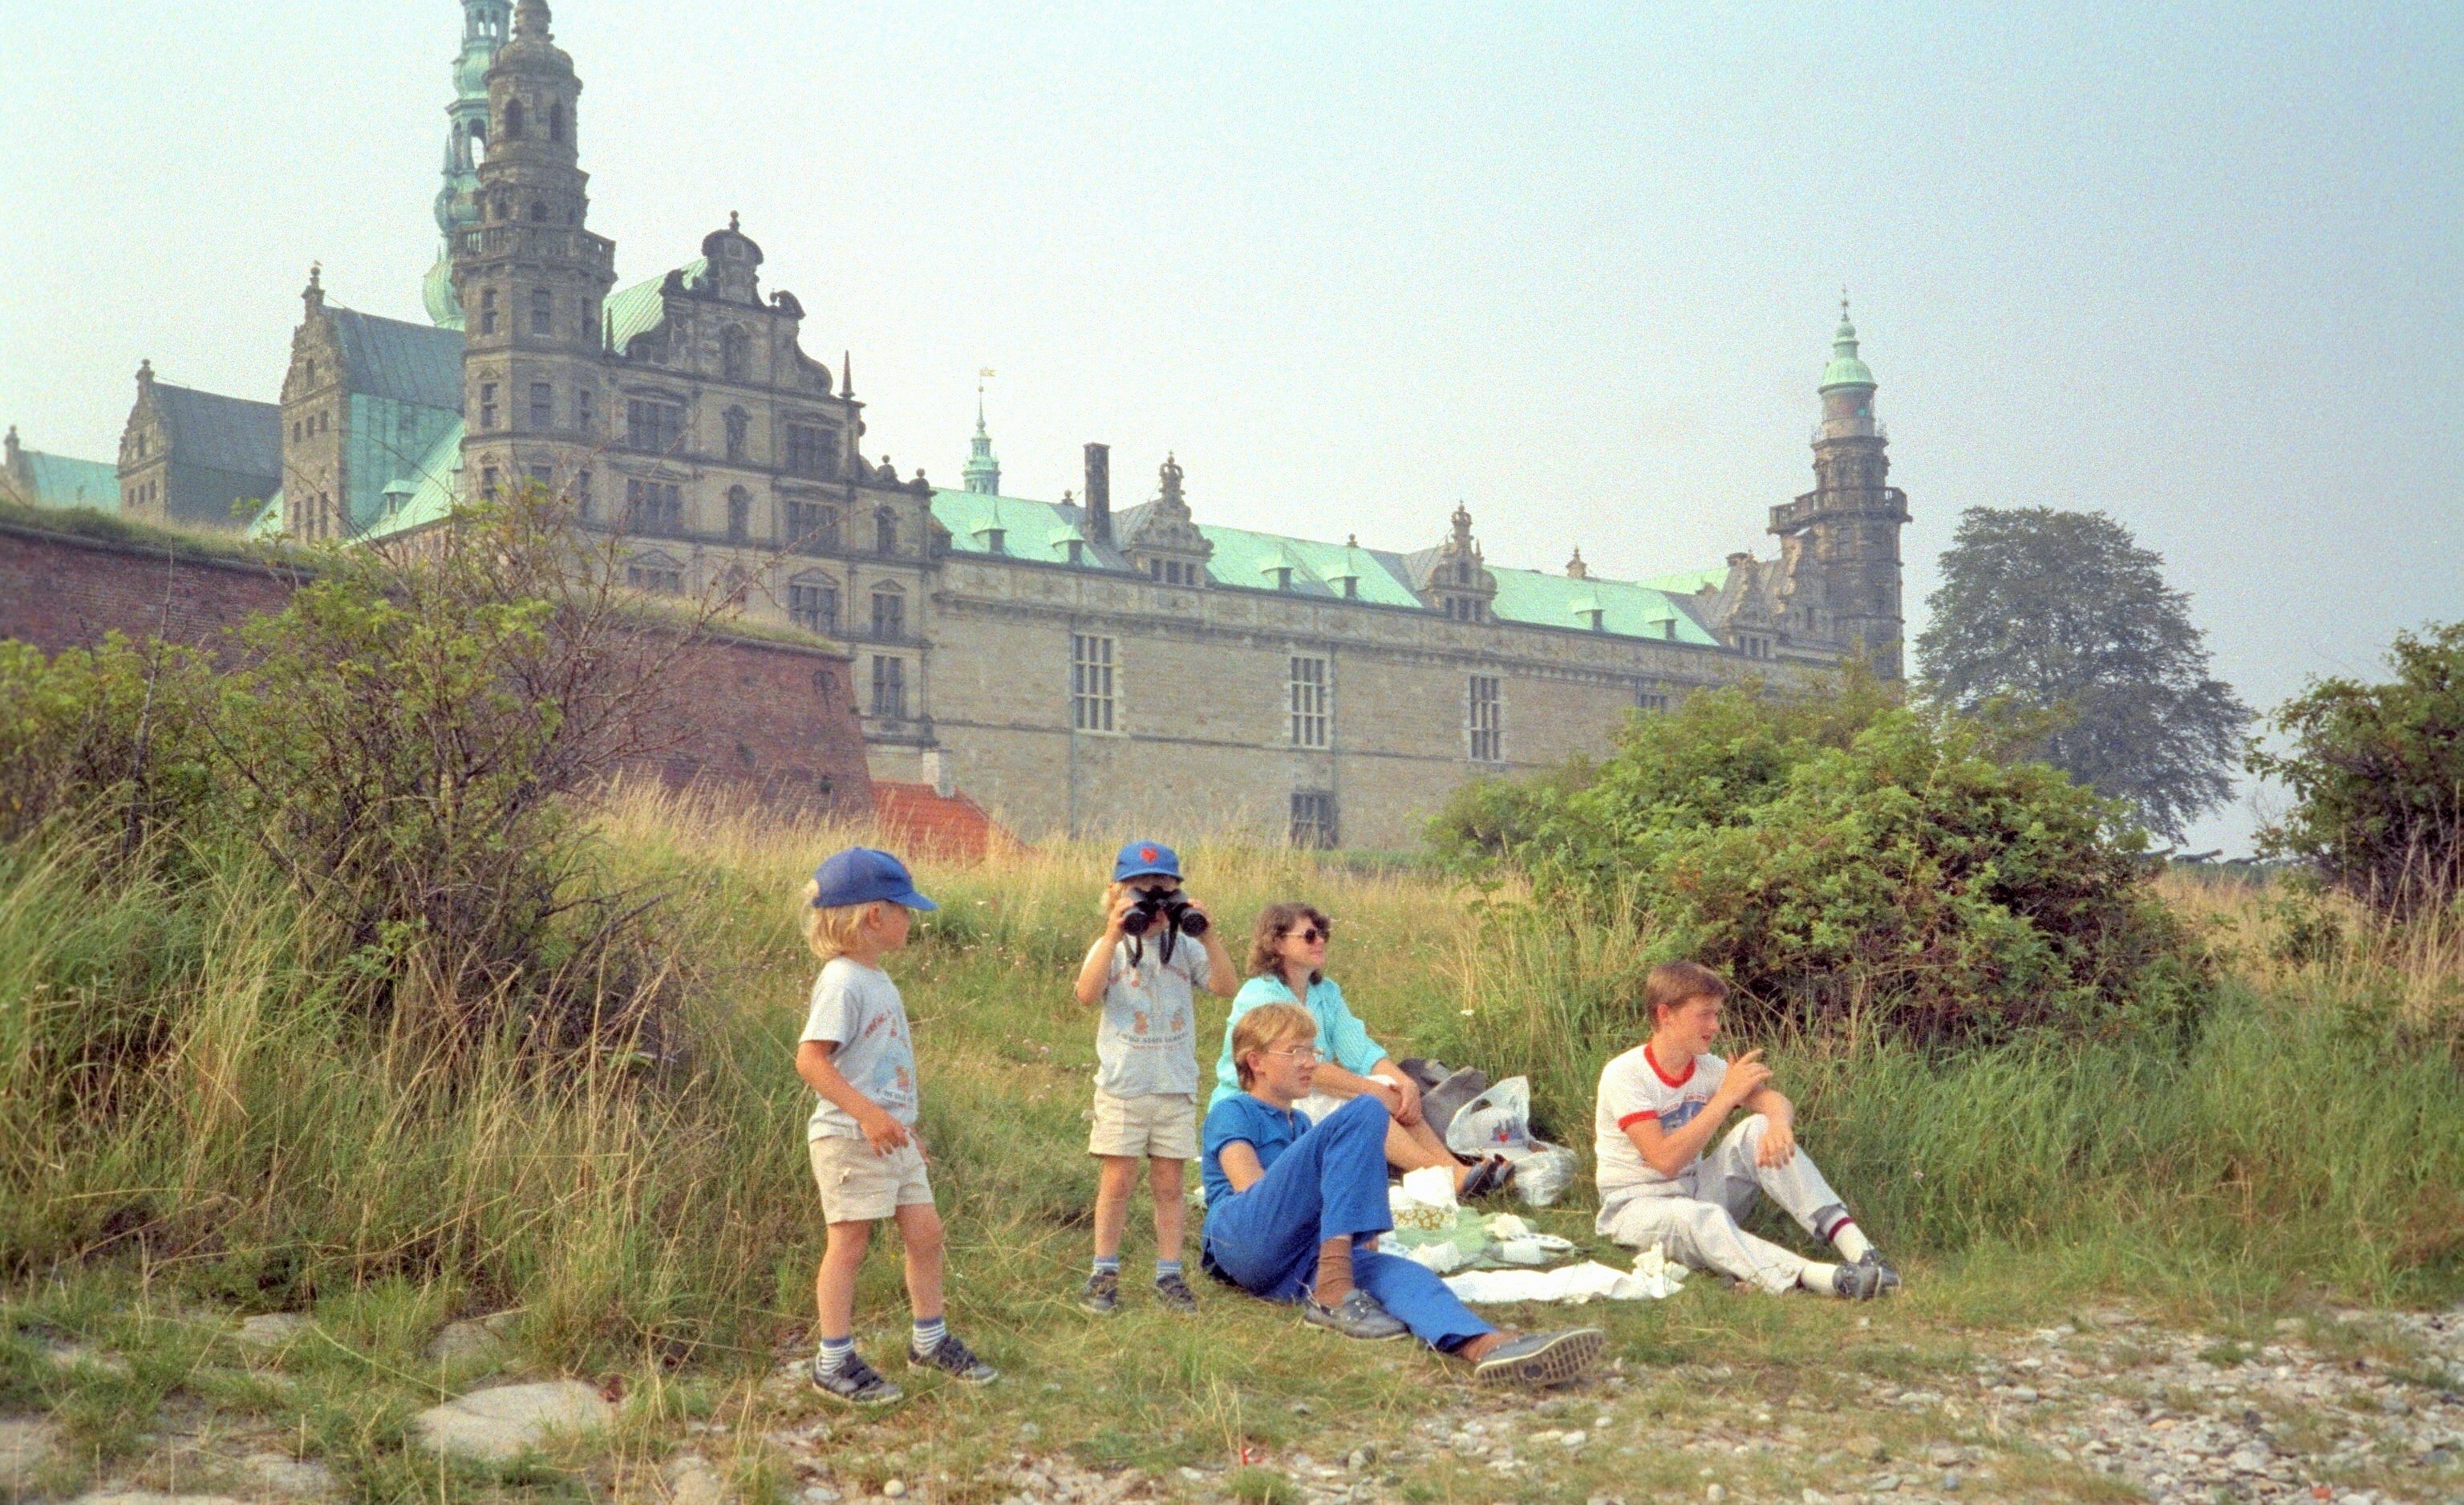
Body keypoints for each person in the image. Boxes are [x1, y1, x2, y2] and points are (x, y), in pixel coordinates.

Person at [1201, 1002, 1606, 1386]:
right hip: (1243, 1237)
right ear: (1255, 1061)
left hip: (1293, 1257)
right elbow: (1251, 1189)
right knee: (1366, 1110)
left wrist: (1356, 1229)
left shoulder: (1302, 1123)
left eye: (1313, 1050)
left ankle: (1487, 1346)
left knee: (1405, 1275)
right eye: (1295, 1052)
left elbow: (1327, 1193)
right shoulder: (1234, 1111)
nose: (1310, 1062)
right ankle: (1333, 1289)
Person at [795, 846, 1001, 1404]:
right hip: (849, 1136)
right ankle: (832, 1360)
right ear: (874, 917)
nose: (912, 919)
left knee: (926, 1233)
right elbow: (811, 1059)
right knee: (850, 1244)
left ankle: (928, 1341)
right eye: (904, 909)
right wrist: (869, 1115)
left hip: (892, 1137)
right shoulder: (842, 981)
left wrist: (902, 1126)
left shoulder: (875, 977)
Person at [1594, 960, 1899, 1300]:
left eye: (1717, 1015)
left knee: (1757, 1127)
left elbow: (1775, 1102)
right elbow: (1665, 1161)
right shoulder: (1625, 1074)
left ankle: (1863, 1253)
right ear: (1666, 1015)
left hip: (1695, 1189)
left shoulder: (1708, 1067)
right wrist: (1725, 1098)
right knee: (1697, 1217)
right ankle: (1826, 1278)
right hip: (1636, 1207)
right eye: (1704, 1015)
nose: (1716, 1026)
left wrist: (1779, 1125)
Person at [1213, 902, 1511, 1197]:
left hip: (1301, 1091)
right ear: (1276, 943)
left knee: (1387, 1087)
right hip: (1258, 1098)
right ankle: (1443, 1176)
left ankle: (1457, 1171)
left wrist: (1403, 1084)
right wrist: (1373, 1092)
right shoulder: (1261, 995)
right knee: (1357, 1103)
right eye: (1308, 936)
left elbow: (1362, 1052)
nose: (1319, 941)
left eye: (1321, 934)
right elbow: (1303, 1067)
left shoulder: (1325, 992)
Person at [1070, 839, 1241, 1316]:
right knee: (1117, 1181)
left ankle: (1169, 1274)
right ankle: (1103, 1270)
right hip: (1124, 1086)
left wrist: (1206, 934)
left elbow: (1226, 987)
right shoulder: (1113, 950)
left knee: (1170, 1184)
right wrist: (1111, 935)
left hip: (1174, 1086)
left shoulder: (1184, 948)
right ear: (1115, 895)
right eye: (1139, 890)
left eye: (1162, 889)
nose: (1152, 898)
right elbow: (1086, 995)